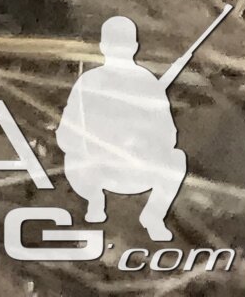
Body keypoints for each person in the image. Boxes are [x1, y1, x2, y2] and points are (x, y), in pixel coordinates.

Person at [60, 16, 189, 240]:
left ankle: (153, 216)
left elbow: (168, 135)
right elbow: (67, 133)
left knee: (176, 159)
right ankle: (95, 201)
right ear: (135, 47)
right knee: (175, 159)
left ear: (102, 47)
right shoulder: (89, 82)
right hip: (97, 170)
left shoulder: (146, 82)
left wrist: (139, 140)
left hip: (135, 171)